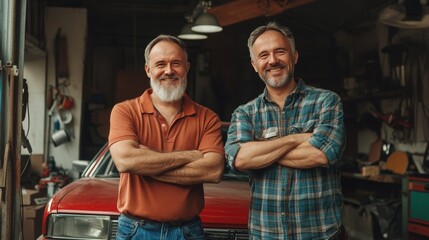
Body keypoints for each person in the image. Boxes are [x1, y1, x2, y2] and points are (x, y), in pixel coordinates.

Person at [224, 22, 346, 240]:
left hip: (320, 234)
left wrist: (260, 151)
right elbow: (240, 159)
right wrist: (298, 139)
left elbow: (322, 153)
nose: (272, 60)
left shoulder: (326, 101)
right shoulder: (245, 113)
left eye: (280, 51)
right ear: (254, 64)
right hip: (266, 234)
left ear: (295, 56)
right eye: (263, 55)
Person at [109, 34, 225, 240]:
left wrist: (145, 164)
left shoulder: (208, 118)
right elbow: (126, 160)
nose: (169, 71)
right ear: (148, 70)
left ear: (187, 68)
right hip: (136, 230)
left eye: (176, 63)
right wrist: (192, 155)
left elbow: (213, 170)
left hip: (188, 231)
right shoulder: (124, 111)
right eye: (160, 64)